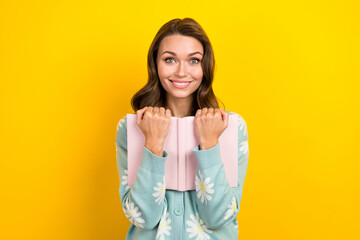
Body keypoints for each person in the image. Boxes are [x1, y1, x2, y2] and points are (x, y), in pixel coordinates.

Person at [115, 17, 249, 240]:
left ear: (205, 67)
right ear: (155, 65)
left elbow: (218, 217)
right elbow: (143, 218)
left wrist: (210, 146)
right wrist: (153, 145)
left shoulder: (231, 127)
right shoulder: (131, 128)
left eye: (194, 61)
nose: (181, 72)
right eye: (170, 60)